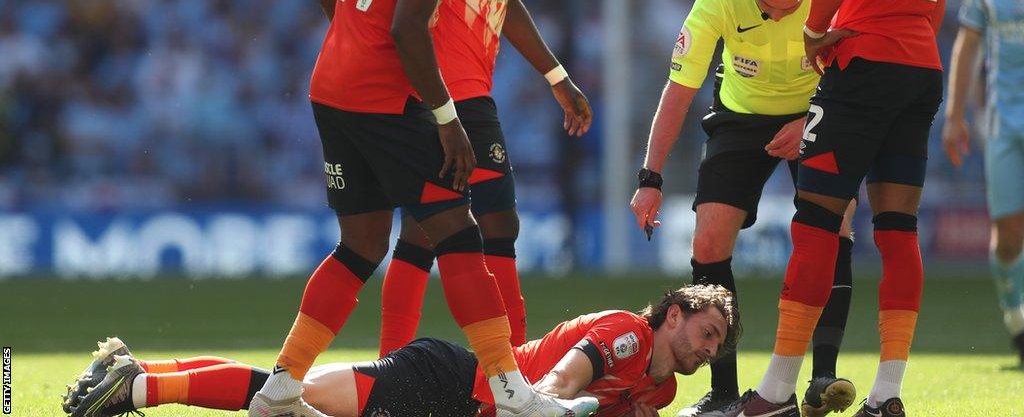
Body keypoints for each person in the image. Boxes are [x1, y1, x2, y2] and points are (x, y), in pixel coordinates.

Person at [254, 0, 593, 416]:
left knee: (360, 246)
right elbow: (408, 27)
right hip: (387, 103)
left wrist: (357, 52)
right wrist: (446, 120)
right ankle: (512, 393)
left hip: (330, 90)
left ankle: (280, 388)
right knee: (460, 234)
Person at [731, 0, 951, 417]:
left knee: (816, 222)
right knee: (899, 229)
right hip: (921, 66)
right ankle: (889, 394)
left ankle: (775, 392)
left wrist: (815, 30)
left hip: (864, 64)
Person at [351, 0, 593, 358]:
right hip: (453, 97)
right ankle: (518, 368)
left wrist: (555, 74)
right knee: (498, 223)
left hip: (461, 93)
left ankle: (391, 365)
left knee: (421, 231)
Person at [629, 0, 856, 417]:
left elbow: (861, 75)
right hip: (739, 115)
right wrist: (650, 176)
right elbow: (679, 89)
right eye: (766, 7)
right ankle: (725, 394)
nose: (776, 17)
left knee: (835, 230)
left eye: (788, 9)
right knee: (708, 246)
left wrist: (813, 120)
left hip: (820, 111)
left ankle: (823, 379)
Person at [61, 285, 740, 417]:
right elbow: (557, 389)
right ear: (673, 315)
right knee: (285, 398)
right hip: (452, 381)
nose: (709, 350)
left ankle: (134, 377)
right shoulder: (626, 332)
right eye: (706, 332)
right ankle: (139, 382)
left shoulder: (661, 392)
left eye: (717, 345)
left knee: (285, 400)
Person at [943, 0, 1024, 368]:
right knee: (1009, 235)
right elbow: (968, 44)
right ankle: (1017, 320)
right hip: (1003, 121)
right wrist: (954, 115)